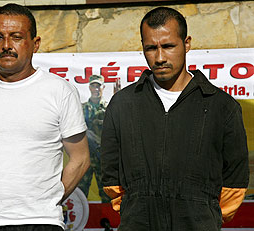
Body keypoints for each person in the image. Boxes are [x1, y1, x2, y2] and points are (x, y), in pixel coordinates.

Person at [101, 7, 249, 231]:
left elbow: (235, 180)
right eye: (151, 48)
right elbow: (111, 176)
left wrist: (203, 214)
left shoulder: (222, 107)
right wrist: (137, 208)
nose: (160, 57)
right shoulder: (123, 104)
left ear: (186, 43)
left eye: (168, 46)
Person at [0, 3, 90, 231]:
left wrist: (47, 201)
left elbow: (81, 159)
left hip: (40, 222)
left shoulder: (59, 91)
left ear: (34, 44)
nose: (6, 45)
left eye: (16, 37)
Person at [78, 75, 110, 203]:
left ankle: (109, 221)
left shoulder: (110, 108)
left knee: (107, 191)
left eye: (98, 86)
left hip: (103, 156)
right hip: (85, 156)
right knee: (80, 191)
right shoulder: (81, 108)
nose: (96, 89)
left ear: (103, 87)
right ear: (89, 87)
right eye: (93, 86)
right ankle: (79, 221)